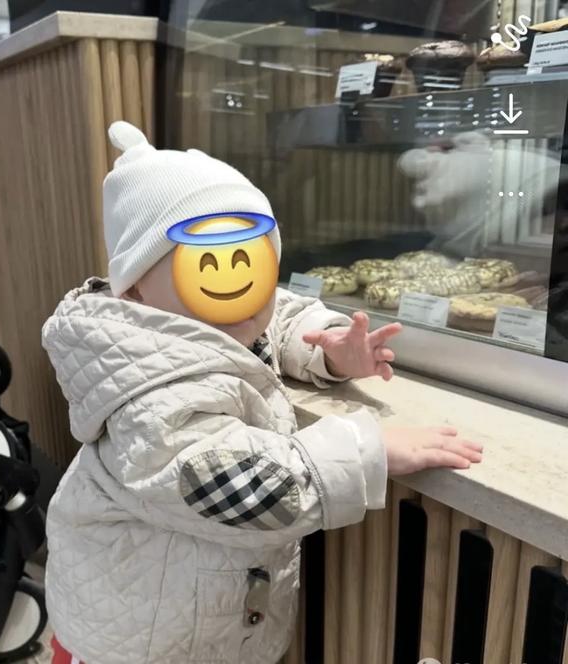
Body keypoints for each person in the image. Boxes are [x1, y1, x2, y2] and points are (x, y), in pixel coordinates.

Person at [41, 121, 482, 664]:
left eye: (251, 265)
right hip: (133, 644)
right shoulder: (152, 395)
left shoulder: (200, 322)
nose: (243, 296)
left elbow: (276, 317)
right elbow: (242, 485)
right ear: (134, 289)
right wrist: (369, 450)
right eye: (208, 269)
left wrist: (327, 347)